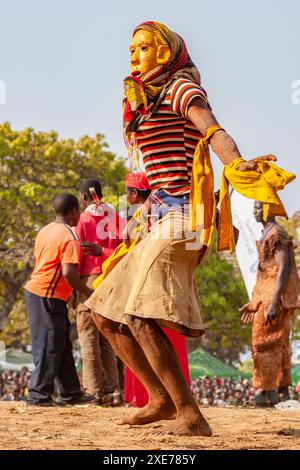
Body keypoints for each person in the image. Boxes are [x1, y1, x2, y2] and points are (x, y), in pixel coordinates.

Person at [86, 21, 294, 436]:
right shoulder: (142, 100)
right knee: (102, 313)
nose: (133, 56)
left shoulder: (181, 88)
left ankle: (191, 415)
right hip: (156, 218)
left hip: (183, 218)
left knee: (139, 315)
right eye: (130, 50)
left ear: (165, 54)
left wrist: (235, 162)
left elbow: (212, 130)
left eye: (143, 49)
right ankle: (160, 399)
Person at [123, 172, 191, 407]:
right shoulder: (159, 212)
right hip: (168, 281)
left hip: (150, 281)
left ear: (134, 193)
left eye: (127, 192)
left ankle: (152, 397)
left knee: (146, 332)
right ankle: (170, 398)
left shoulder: (144, 216)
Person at [24, 193, 94, 406]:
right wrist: (89, 293)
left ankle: (71, 393)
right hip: (47, 295)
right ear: (73, 211)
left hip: (42, 293)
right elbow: (68, 273)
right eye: (78, 211)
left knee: (61, 344)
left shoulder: (45, 230)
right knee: (49, 345)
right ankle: (37, 394)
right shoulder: (69, 236)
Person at [240, 201, 300, 406]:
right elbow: (265, 273)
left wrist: (274, 301)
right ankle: (280, 390)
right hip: (267, 295)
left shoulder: (277, 234)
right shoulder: (269, 232)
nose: (255, 211)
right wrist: (254, 301)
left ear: (269, 209)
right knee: (278, 342)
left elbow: (282, 269)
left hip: (275, 297)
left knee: (264, 342)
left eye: (259, 207)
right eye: (255, 207)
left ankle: (267, 391)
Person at [74, 179, 124, 405]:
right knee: (107, 338)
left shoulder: (82, 219)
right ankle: (113, 391)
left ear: (84, 197)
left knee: (88, 338)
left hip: (90, 279)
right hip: (112, 279)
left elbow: (77, 255)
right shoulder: (114, 217)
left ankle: (93, 392)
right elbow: (127, 246)